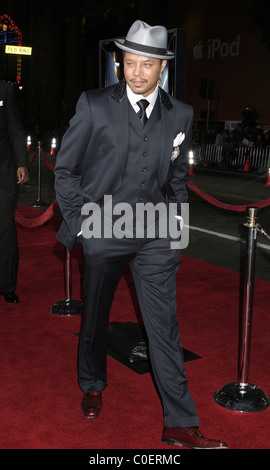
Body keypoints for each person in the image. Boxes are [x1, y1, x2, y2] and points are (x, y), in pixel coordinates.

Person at [54, 20, 228, 449]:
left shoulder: (182, 114)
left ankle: (180, 422)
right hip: (104, 228)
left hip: (155, 234)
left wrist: (174, 227)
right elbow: (66, 171)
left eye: (145, 64)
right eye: (129, 62)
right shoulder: (94, 105)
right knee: (95, 314)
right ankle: (93, 382)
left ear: (161, 69)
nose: (135, 72)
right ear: (121, 63)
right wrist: (82, 226)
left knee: (164, 327)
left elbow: (179, 178)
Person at [0, 81, 29, 303]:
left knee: (5, 226)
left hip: (5, 172)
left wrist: (22, 163)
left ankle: (7, 285)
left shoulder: (5, 90)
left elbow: (16, 130)